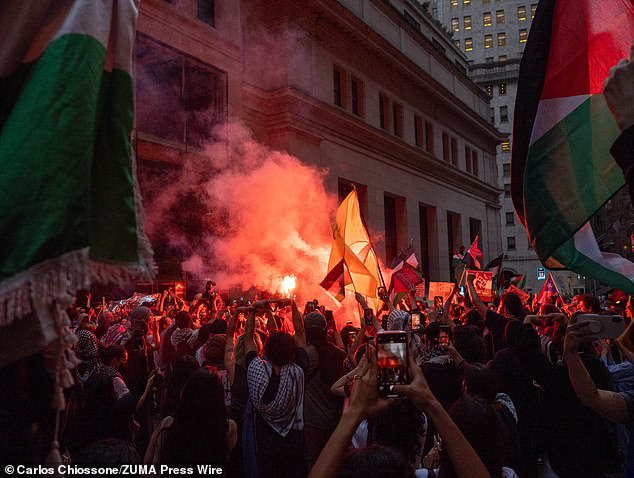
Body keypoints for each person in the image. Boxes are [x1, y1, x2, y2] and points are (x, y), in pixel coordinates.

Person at [245, 300, 308, 478]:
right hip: (294, 444)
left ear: (265, 350)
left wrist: (253, 310)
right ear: (292, 353)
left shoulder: (255, 369)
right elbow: (301, 333)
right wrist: (293, 304)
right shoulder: (299, 370)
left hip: (265, 445)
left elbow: (248, 339)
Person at [144, 367, 237, 466]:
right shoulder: (228, 429)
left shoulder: (168, 425)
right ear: (219, 396)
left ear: (187, 393)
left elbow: (147, 463)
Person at [303, 310, 346, 468]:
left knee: (314, 462)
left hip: (314, 422)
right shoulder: (338, 353)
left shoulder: (308, 355)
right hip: (336, 418)